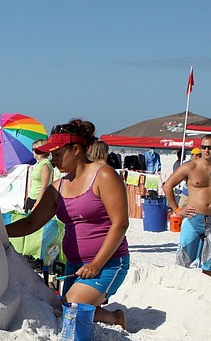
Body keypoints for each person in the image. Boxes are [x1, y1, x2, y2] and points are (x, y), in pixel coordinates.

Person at [7, 119, 129, 328]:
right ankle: (100, 313)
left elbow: (120, 224)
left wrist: (96, 264)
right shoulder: (58, 187)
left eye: (57, 154)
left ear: (75, 150)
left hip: (107, 263)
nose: (53, 161)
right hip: (74, 265)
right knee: (62, 310)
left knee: (70, 308)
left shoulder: (104, 176)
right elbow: (31, 223)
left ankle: (116, 318)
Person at [163, 134, 211, 277]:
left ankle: (205, 297)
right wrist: (177, 209)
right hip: (193, 219)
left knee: (209, 264)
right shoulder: (190, 167)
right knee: (183, 262)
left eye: (210, 147)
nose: (206, 151)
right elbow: (168, 186)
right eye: (203, 147)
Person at [25, 139, 53, 212]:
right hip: (32, 198)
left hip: (39, 200)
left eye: (34, 149)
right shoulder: (38, 164)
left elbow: (44, 187)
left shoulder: (45, 164)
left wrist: (36, 204)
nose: (32, 151)